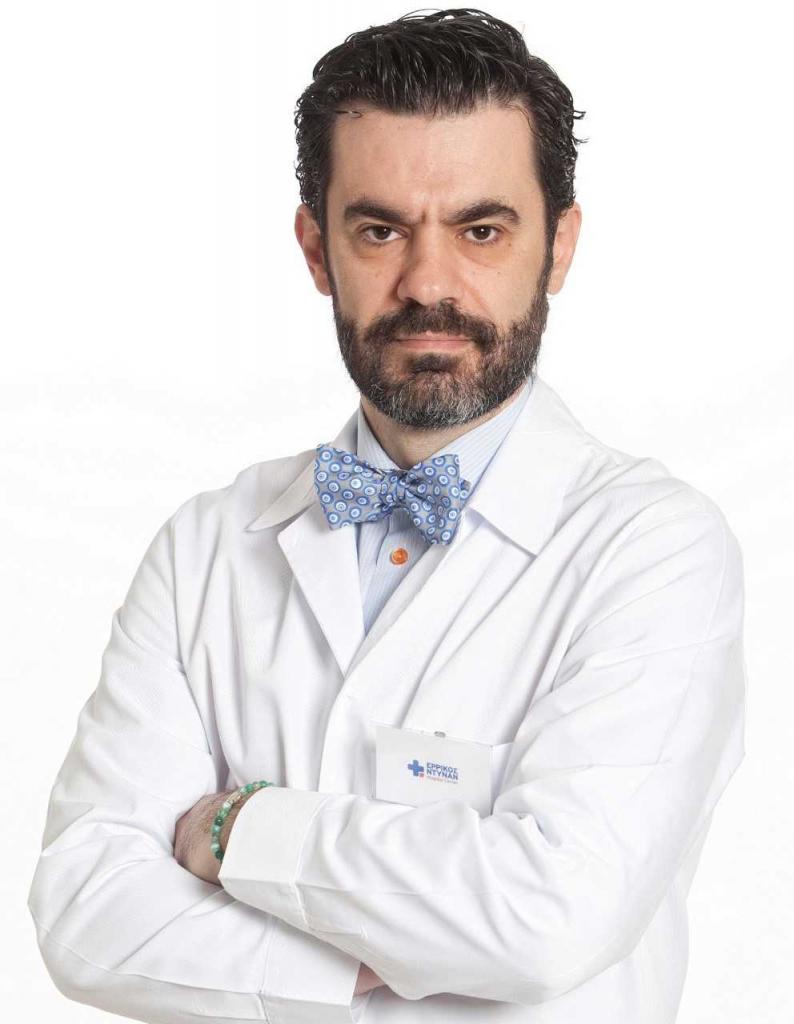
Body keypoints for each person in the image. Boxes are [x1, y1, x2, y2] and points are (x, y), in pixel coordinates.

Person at [27, 8, 746, 1024]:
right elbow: (82, 911)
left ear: (558, 246)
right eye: (380, 230)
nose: (427, 285)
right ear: (316, 249)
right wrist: (366, 964)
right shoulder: (205, 547)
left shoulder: (655, 551)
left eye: (481, 230)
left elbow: (546, 918)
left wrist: (240, 831)